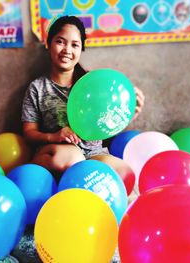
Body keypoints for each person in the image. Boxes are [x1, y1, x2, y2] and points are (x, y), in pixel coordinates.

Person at [21, 15, 145, 178]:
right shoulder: (37, 88)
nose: (67, 50)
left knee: (124, 172)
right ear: (48, 43)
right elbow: (29, 133)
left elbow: (104, 124)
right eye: (60, 41)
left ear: (81, 49)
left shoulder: (95, 84)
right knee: (74, 159)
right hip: (55, 152)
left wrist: (126, 116)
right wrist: (55, 136)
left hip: (93, 153)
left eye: (75, 45)